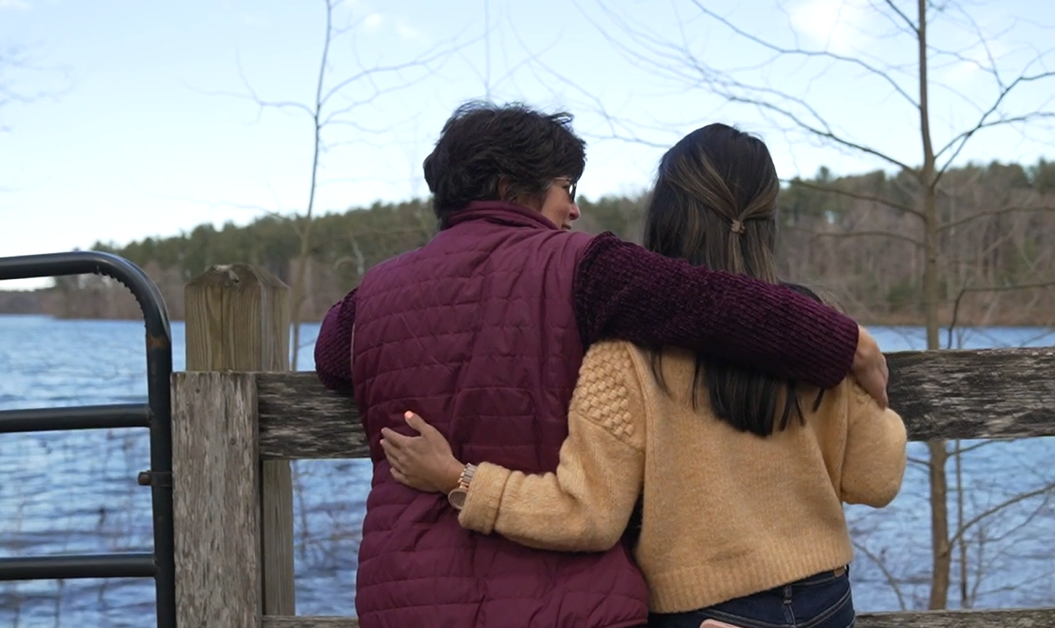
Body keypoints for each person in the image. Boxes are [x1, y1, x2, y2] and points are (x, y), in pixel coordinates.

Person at [313, 104, 890, 628]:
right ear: (513, 186)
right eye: (566, 186)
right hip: (564, 599)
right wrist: (846, 342)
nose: (575, 205)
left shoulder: (374, 290)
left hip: (408, 593)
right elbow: (712, 305)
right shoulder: (585, 267)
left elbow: (332, 361)